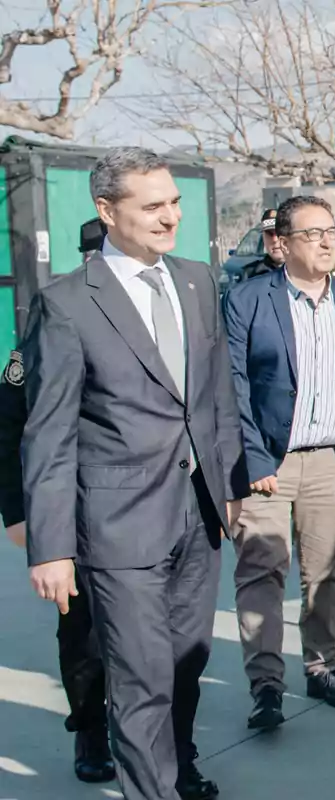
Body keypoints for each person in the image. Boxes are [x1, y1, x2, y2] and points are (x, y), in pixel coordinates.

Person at [21, 146, 244, 800]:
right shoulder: (67, 303)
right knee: (140, 677)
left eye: (174, 202)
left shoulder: (200, 281)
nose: (169, 216)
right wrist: (53, 545)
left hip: (197, 517)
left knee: (186, 664)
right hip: (118, 527)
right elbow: (48, 431)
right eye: (152, 206)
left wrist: (227, 485)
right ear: (106, 210)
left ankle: (177, 763)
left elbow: (217, 396)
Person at [222, 195, 335, 730]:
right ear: (282, 244)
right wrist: (252, 458)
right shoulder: (249, 300)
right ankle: (265, 684)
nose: (327, 243)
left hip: (331, 461)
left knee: (325, 574)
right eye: (312, 234)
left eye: (332, 231)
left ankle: (322, 667)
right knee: (261, 573)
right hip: (268, 464)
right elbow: (231, 387)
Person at [0, 218, 115, 786]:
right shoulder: (53, 318)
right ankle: (91, 730)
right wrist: (15, 512)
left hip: (140, 508)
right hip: (70, 510)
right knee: (84, 633)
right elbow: (10, 426)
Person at [241, 208, 284, 281]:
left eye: (279, 233)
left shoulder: (304, 270)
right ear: (263, 238)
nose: (274, 239)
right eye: (269, 234)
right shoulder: (251, 275)